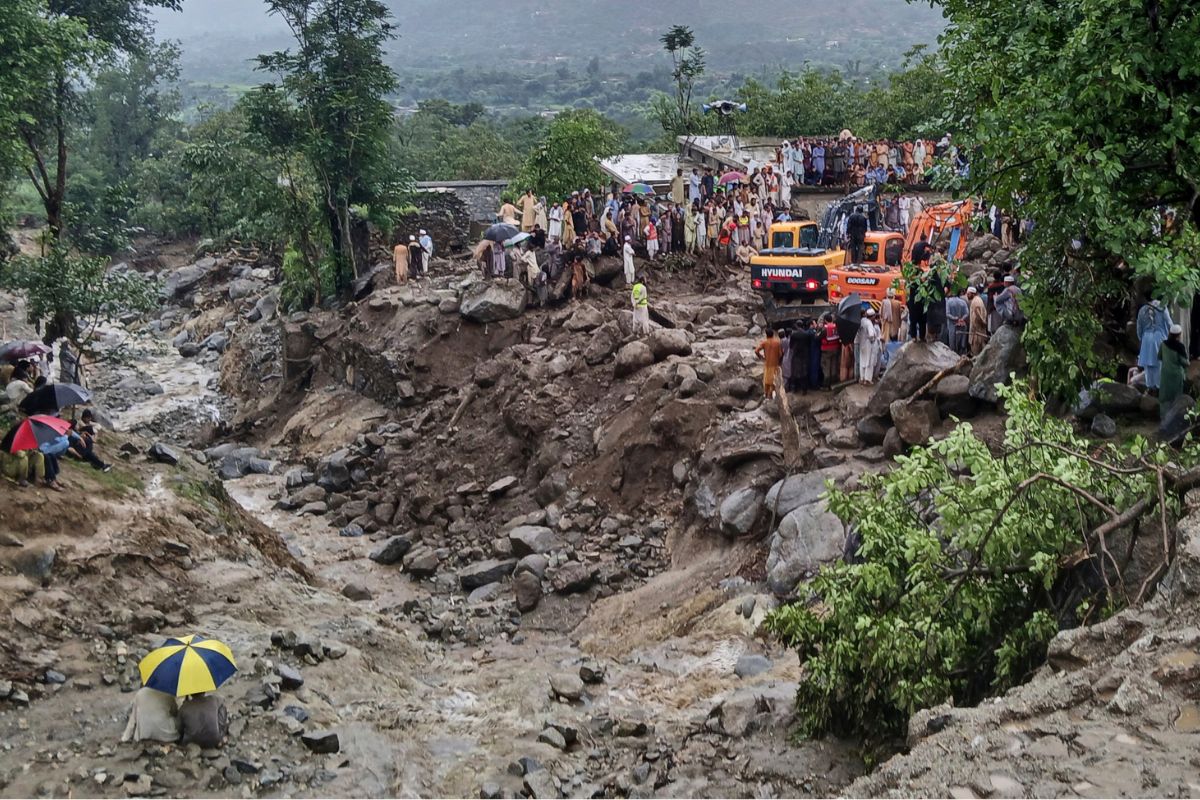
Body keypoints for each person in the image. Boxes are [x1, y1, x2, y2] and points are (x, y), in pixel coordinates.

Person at [1137, 298, 1172, 393]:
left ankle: (1150, 387)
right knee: (1159, 363)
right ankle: (1159, 387)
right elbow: (1169, 323)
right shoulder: (1162, 306)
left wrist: (1142, 338)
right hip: (1159, 338)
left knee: (1148, 365)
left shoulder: (1142, 309)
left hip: (1146, 338)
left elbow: (1139, 328)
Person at [1159, 324, 1189, 417]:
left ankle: (1163, 418)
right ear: (1179, 335)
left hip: (1165, 375)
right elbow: (1185, 363)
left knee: (1164, 398)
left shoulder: (1163, 344)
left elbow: (1159, 356)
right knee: (1176, 398)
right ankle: (1173, 419)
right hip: (1176, 376)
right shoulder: (1180, 347)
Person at [754, 329, 783, 400]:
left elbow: (756, 350)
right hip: (775, 363)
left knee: (767, 379)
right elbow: (780, 354)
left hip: (767, 363)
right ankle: (770, 394)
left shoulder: (764, 342)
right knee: (774, 380)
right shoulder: (777, 342)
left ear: (766, 335)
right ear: (773, 334)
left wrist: (761, 357)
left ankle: (766, 394)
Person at [856, 308, 881, 385]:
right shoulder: (868, 323)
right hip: (868, 344)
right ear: (872, 316)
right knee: (869, 362)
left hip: (861, 343)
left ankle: (862, 378)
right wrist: (873, 339)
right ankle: (867, 380)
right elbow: (871, 335)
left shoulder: (861, 322)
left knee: (862, 361)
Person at [946, 288, 970, 353]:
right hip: (962, 325)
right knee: (961, 342)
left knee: (952, 344)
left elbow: (947, 314)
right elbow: (967, 313)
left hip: (952, 326)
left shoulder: (949, 302)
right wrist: (962, 319)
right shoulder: (963, 302)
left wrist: (955, 318)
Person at [820, 313, 840, 388]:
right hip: (835, 348)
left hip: (826, 350)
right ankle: (834, 383)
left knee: (826, 367)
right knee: (834, 366)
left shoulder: (825, 329)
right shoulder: (836, 326)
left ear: (825, 320)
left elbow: (817, 337)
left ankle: (826, 385)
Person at [967, 286, 988, 355]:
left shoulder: (975, 302)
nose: (967, 296)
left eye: (969, 294)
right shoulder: (978, 299)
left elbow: (978, 315)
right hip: (979, 330)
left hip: (977, 332)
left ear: (973, 294)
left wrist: (982, 323)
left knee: (976, 351)